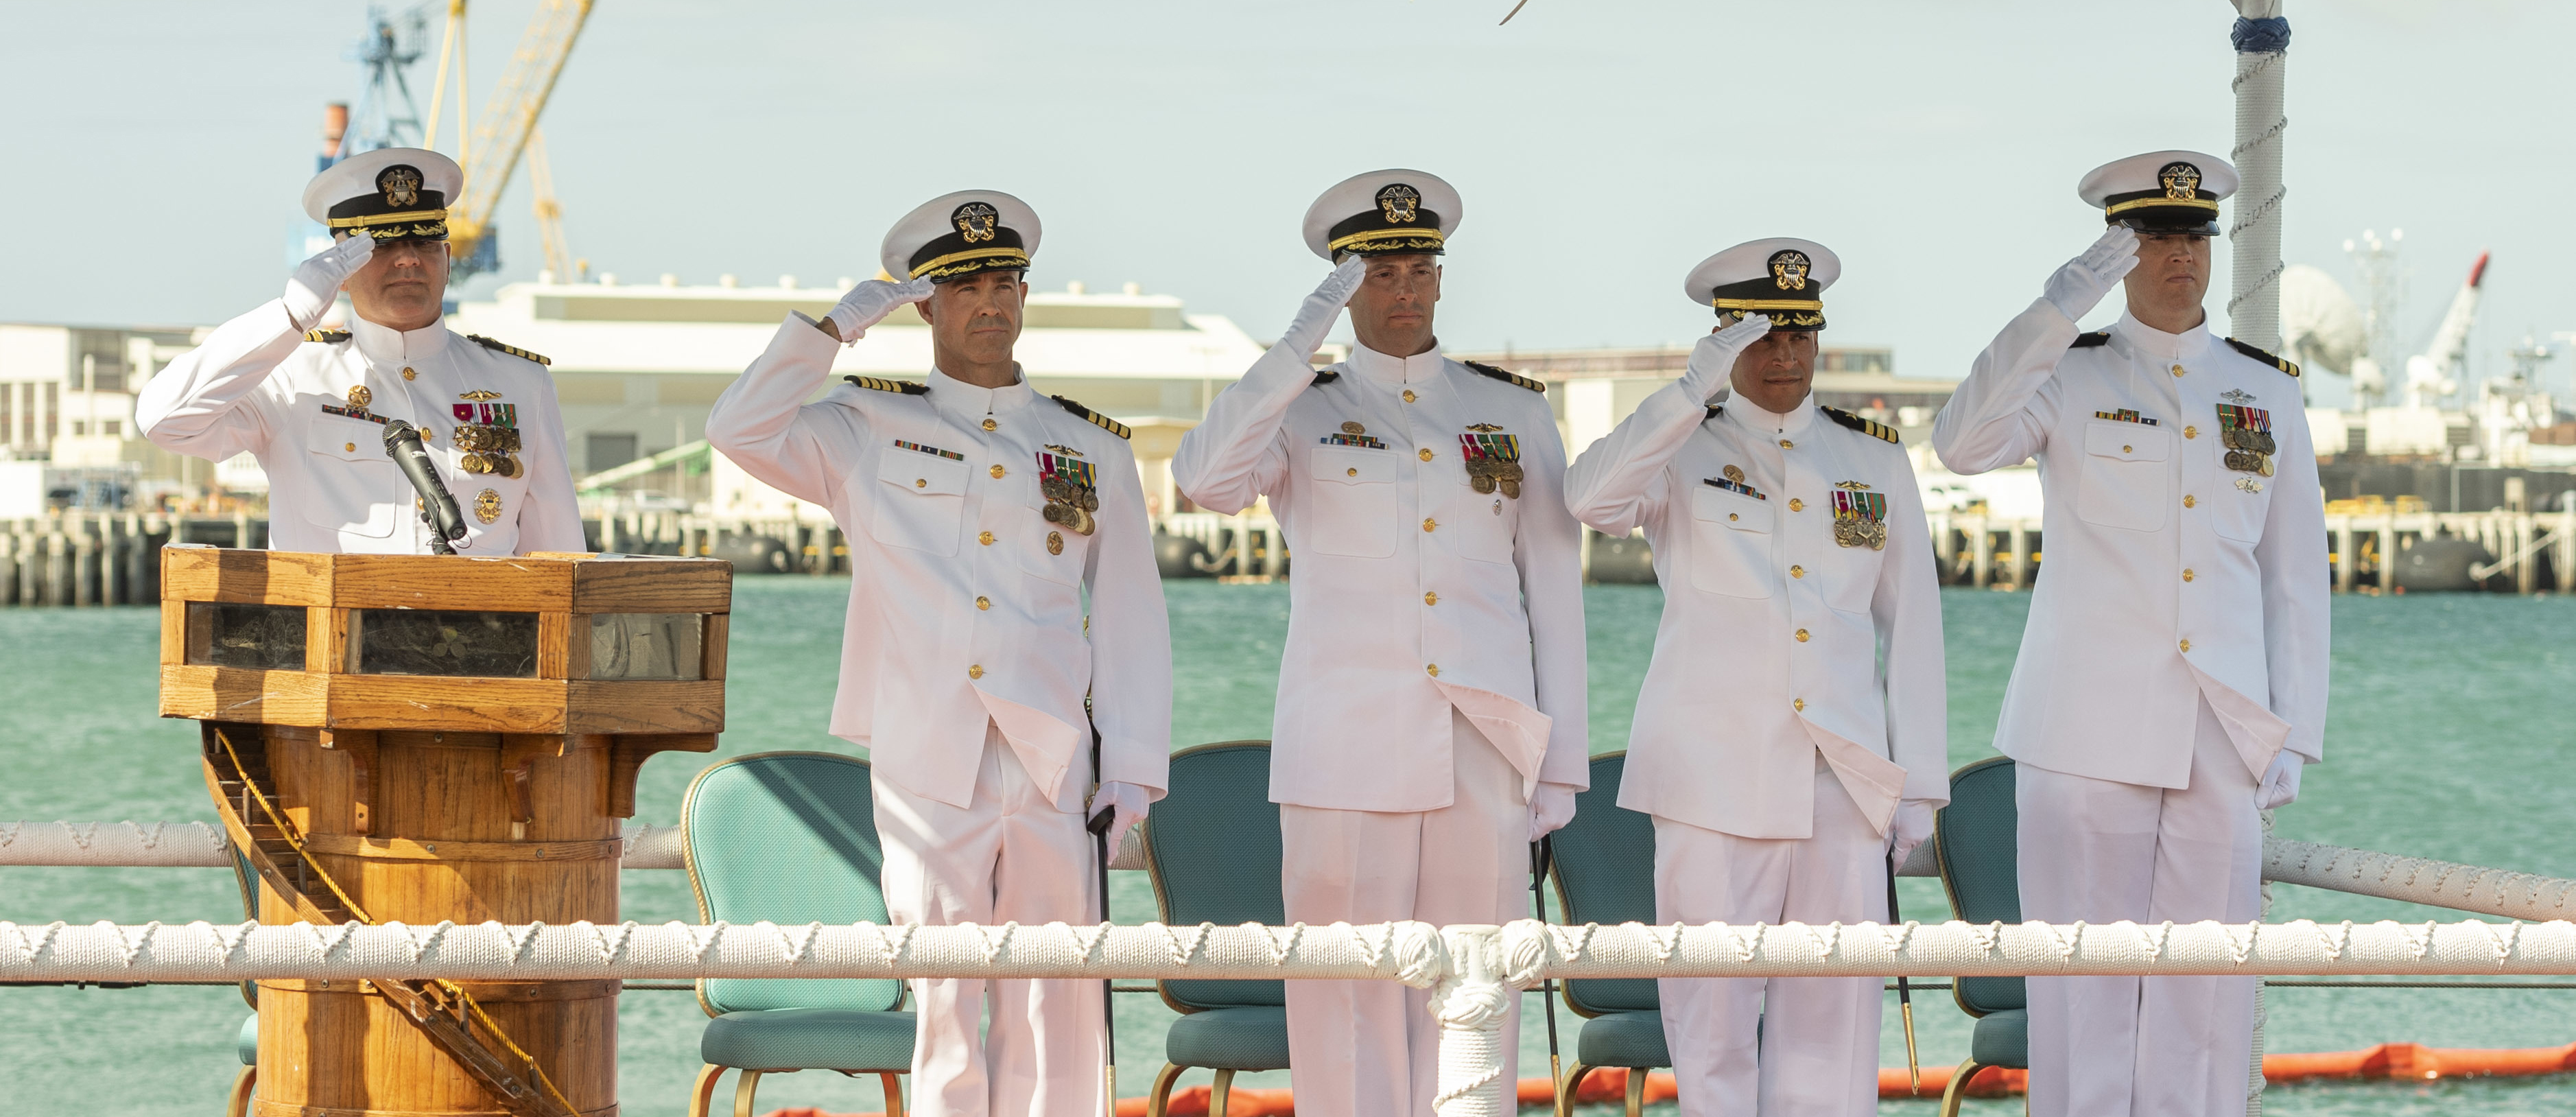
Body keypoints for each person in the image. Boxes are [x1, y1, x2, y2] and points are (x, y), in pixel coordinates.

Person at [705, 190, 1171, 1117]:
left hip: (1053, 760)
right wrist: (837, 325)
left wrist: (1134, 769)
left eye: (1005, 281)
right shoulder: (862, 427)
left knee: (1059, 1000)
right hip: (927, 754)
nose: (990, 302)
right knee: (943, 1001)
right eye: (963, 286)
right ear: (924, 302)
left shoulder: (1085, 446)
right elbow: (738, 429)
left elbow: (1129, 618)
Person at [1171, 169, 1587, 1116]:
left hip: (1482, 749)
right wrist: (1293, 344)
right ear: (1344, 286)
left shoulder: (1512, 414)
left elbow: (1553, 599)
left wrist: (1557, 765)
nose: (1401, 290)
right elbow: (1203, 480)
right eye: (1376, 273)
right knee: (1345, 1000)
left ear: (1438, 277)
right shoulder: (1299, 408)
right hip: (1342, 753)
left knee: (1476, 993)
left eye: (1416, 269)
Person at [1931, 151, 2328, 1117]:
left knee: (2206, 994)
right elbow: (1959, 444)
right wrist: (2054, 308)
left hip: (2219, 730)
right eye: (2153, 236)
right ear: (2117, 250)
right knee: (2082, 990)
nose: (2178, 255)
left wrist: (2293, 732)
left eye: (2193, 235)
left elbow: (2291, 580)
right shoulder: (2067, 373)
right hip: (2083, 731)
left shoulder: (2261, 391)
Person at [1565, 239, 1946, 1116]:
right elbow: (1589, 498)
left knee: (1834, 1021)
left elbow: (1913, 631)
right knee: (1712, 1020)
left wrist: (1916, 788)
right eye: (1762, 337)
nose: (1783, 356)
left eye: (1800, 335)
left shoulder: (1874, 461)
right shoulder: (1677, 445)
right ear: (1723, 342)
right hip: (1710, 779)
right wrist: (1687, 387)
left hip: (1840, 784)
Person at [137, 148, 582, 554]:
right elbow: (164, 421)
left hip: (478, 641)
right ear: (341, 267)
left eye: (424, 242)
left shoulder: (521, 384)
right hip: (331, 640)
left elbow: (557, 554)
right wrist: (289, 316)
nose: (408, 259)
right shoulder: (293, 374)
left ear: (447, 257)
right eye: (384, 244)